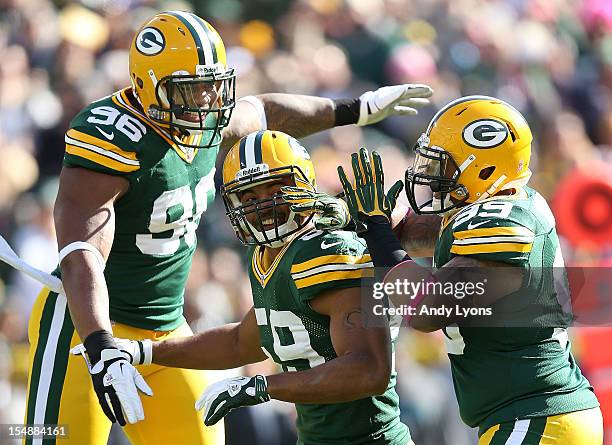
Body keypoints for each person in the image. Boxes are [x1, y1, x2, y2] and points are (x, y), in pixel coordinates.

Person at [22, 9, 432, 445]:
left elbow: (267, 111)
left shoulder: (207, 119)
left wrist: (356, 109)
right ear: (147, 86)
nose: (207, 101)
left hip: (163, 328)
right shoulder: (111, 136)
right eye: (191, 90)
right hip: (83, 328)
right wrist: (101, 344)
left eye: (212, 86)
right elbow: (83, 250)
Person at [290, 96, 603, 444]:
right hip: (531, 414)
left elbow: (426, 309)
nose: (431, 175)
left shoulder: (501, 221)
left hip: (538, 415)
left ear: (483, 168)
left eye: (445, 165)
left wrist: (378, 233)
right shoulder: (503, 205)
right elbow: (421, 235)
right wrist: (359, 220)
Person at [74, 130, 413, 445]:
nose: (262, 204)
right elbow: (242, 342)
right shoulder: (265, 256)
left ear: (305, 186)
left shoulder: (327, 251)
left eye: (275, 189)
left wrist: (263, 386)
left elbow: (369, 368)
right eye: (248, 196)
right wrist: (143, 351)